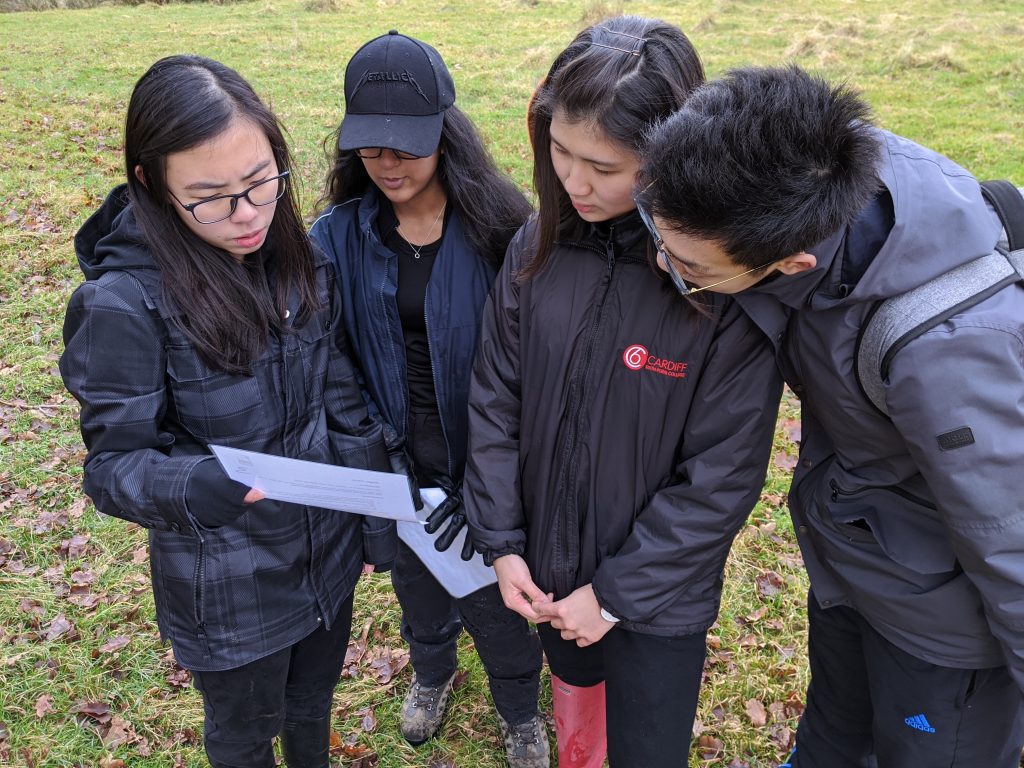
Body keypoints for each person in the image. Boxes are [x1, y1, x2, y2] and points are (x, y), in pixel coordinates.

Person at [637, 64, 1024, 768]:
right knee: (830, 741)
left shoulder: (948, 352)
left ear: (791, 262)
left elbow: (1012, 535)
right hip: (851, 564)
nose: (666, 266)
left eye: (691, 267)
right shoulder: (806, 168)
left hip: (942, 637)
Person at [59, 55, 397, 768]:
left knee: (313, 704)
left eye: (260, 183)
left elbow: (337, 392)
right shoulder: (124, 304)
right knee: (245, 735)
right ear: (151, 183)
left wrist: (371, 518)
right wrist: (190, 487)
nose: (247, 216)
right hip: (227, 580)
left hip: (325, 549)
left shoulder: (294, 254)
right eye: (210, 198)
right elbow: (114, 465)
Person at [462, 17, 783, 768]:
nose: (576, 183)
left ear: (673, 156)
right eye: (560, 151)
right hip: (548, 569)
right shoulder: (535, 246)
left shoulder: (719, 283)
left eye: (606, 167)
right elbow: (494, 401)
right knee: (578, 713)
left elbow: (720, 477)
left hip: (658, 601)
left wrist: (611, 597)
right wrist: (504, 544)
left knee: (647, 746)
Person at [308, 31, 548, 767]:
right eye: (369, 148)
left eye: (405, 146)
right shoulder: (336, 237)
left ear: (446, 131)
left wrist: (491, 487)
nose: (387, 163)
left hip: (489, 469)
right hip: (396, 468)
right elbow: (330, 359)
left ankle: (519, 711)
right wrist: (383, 456)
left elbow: (531, 372)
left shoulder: (505, 234)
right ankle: (433, 672)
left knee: (498, 605)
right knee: (418, 593)